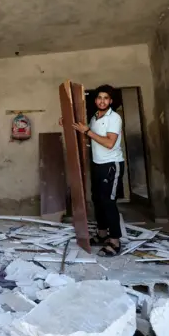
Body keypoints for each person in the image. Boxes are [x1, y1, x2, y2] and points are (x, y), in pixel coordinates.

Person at [72, 84, 125, 256]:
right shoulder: (95, 118)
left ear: (110, 100)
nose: (102, 101)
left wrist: (87, 131)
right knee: (98, 200)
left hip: (111, 165)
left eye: (106, 98)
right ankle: (102, 234)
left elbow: (109, 143)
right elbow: (88, 135)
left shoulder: (114, 118)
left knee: (109, 203)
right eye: (99, 98)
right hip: (97, 164)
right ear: (95, 100)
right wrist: (69, 124)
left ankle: (115, 241)